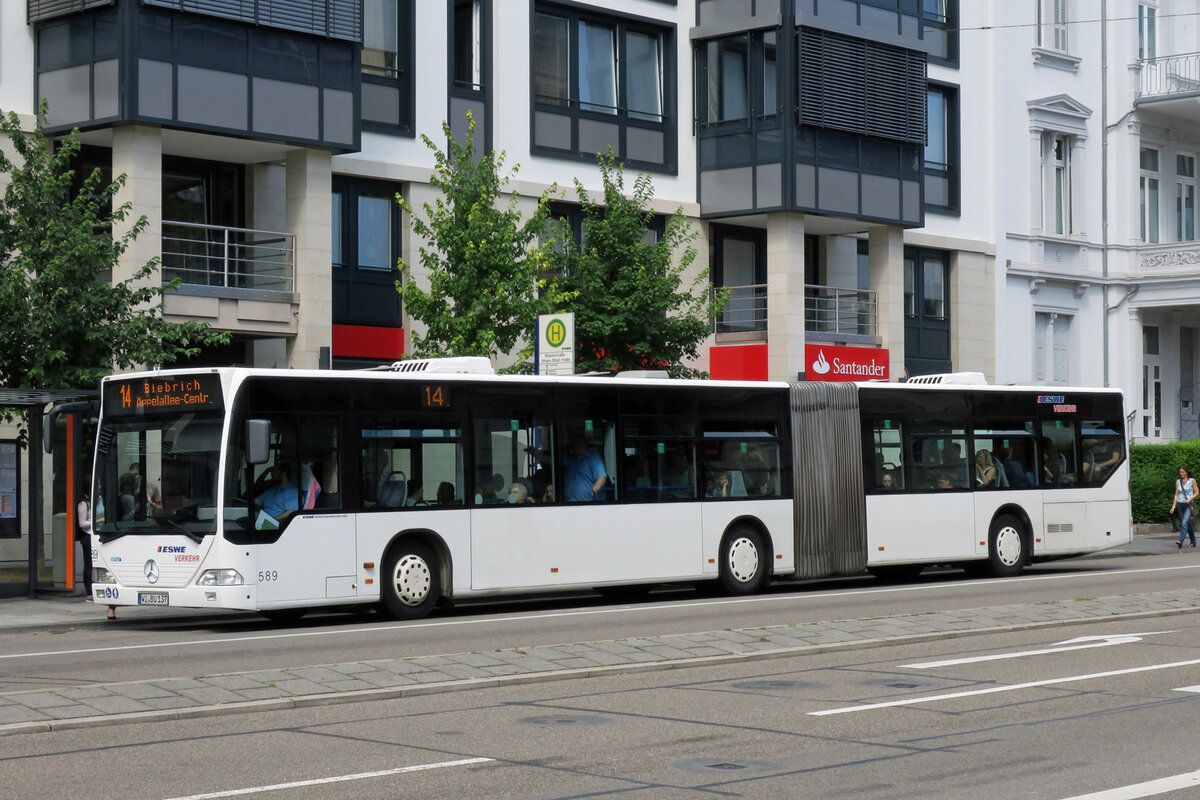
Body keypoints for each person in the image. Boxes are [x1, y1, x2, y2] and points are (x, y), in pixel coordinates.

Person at [564, 433, 607, 502]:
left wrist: (597, 486)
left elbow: (602, 476)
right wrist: (541, 457)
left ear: (583, 444)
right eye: (572, 445)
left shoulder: (594, 457)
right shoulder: (572, 458)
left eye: (575, 444)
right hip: (569, 503)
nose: (572, 447)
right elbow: (555, 462)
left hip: (588, 504)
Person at [1171, 465, 1198, 550]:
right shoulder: (1178, 482)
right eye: (1180, 472)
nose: (1181, 474)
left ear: (1186, 472)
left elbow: (1197, 492)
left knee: (1184, 522)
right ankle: (1193, 542)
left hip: (1189, 505)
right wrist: (1173, 506)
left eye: (1182, 472)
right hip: (1180, 504)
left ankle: (1180, 541)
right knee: (1187, 524)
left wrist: (1190, 499)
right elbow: (1176, 494)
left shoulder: (1192, 481)